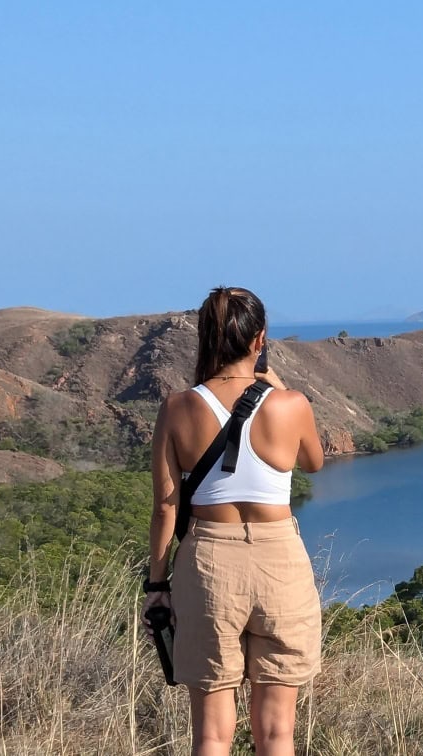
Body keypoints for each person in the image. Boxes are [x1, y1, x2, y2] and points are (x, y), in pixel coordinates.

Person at [143, 286, 325, 756]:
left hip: (208, 563)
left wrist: (156, 585)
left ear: (205, 338)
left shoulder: (178, 407)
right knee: (277, 733)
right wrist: (276, 385)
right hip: (280, 561)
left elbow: (166, 505)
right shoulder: (291, 404)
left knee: (210, 735)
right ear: (259, 338)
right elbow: (314, 463)